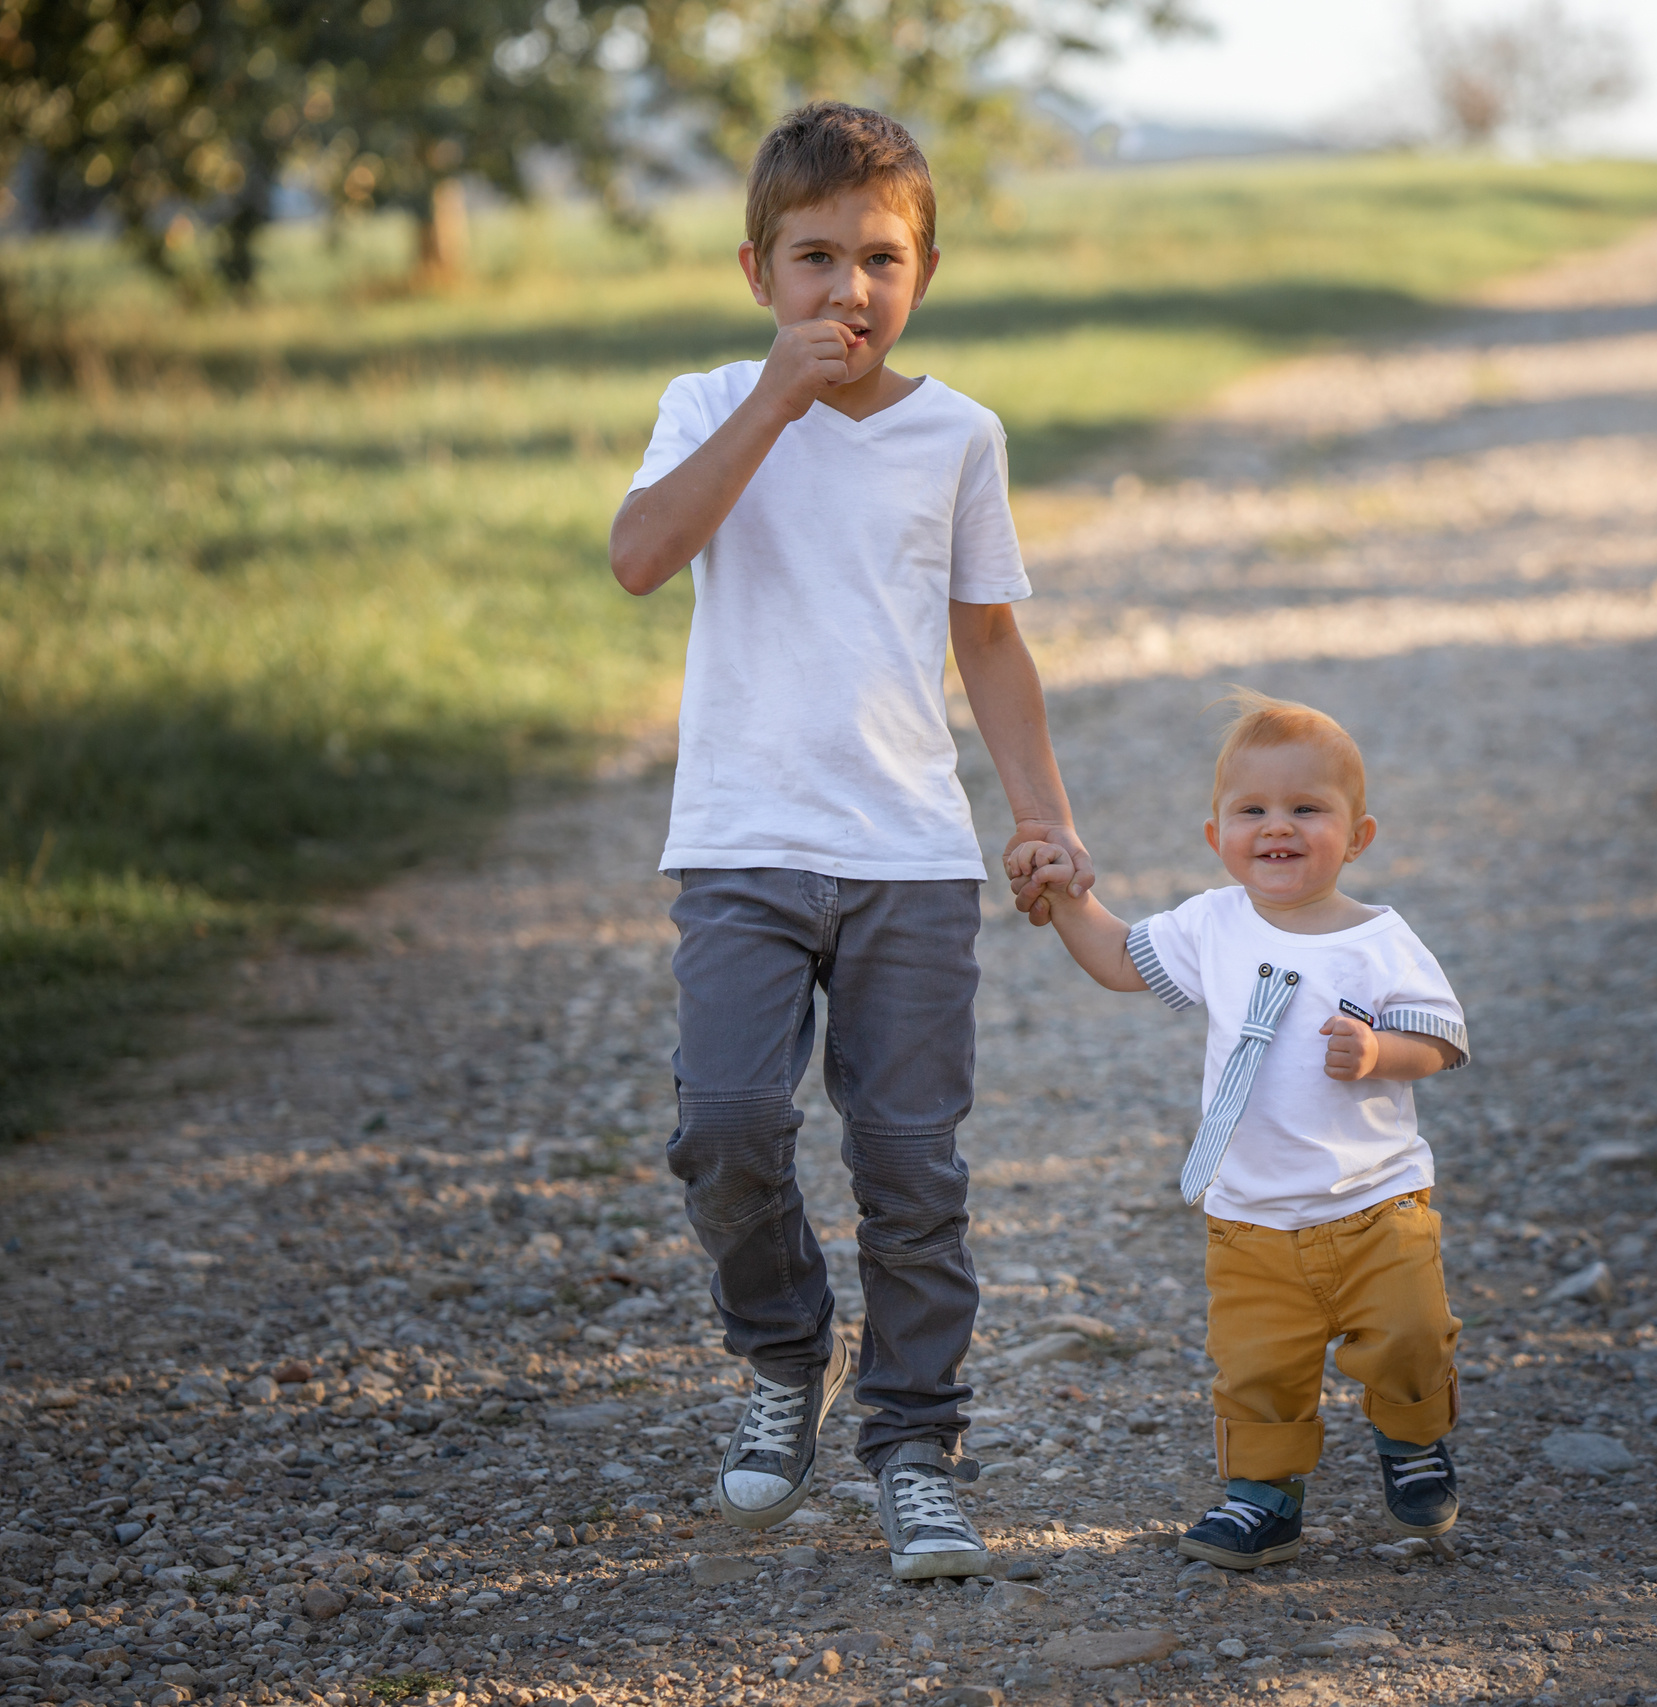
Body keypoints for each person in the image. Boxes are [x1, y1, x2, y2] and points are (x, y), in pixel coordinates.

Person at [607, 100, 1088, 1581]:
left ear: (923, 273)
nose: (848, 289)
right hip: (744, 840)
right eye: (814, 258)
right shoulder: (709, 400)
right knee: (725, 1124)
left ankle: (915, 1446)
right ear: (758, 271)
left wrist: (1043, 815)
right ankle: (784, 1349)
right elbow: (639, 557)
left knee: (910, 1168)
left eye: (881, 259)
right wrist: (772, 400)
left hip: (909, 857)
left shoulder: (959, 436)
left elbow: (990, 639)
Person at [1006, 692, 1469, 1569]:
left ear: (1358, 835)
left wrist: (1381, 1050)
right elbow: (1118, 958)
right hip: (1249, 1212)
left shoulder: (1379, 938)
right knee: (1257, 1364)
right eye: (1252, 810)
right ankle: (1263, 1495)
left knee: (1410, 1332)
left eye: (1307, 808)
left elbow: (1441, 1038)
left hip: (1375, 1200)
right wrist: (1066, 896)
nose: (1278, 826)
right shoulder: (1211, 923)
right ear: (1216, 834)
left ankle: (1413, 1439)